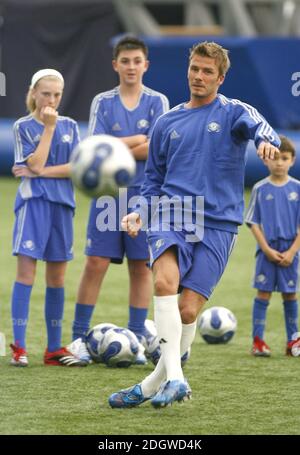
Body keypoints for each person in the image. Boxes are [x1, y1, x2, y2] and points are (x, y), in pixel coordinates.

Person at [108, 41, 280, 409]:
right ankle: (177, 378)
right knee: (164, 281)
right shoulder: (166, 122)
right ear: (188, 70)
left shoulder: (234, 111)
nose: (199, 77)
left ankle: (153, 384)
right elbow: (153, 179)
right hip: (172, 215)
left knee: (187, 311)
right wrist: (139, 210)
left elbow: (260, 127)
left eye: (207, 72)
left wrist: (266, 143)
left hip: (220, 223)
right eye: (195, 69)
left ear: (220, 77)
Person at [68, 36, 169, 364]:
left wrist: (115, 145)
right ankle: (77, 338)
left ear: (145, 65)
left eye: (136, 61)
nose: (130, 66)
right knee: (95, 263)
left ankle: (138, 334)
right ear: (115, 64)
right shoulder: (103, 101)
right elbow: (92, 145)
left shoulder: (158, 101)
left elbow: (155, 149)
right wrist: (134, 139)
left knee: (141, 267)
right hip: (107, 196)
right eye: (124, 61)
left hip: (144, 196)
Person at [10, 69, 85, 367]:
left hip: (63, 206)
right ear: (33, 93)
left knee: (57, 278)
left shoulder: (72, 126)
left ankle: (54, 348)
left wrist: (40, 171)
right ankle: (19, 347)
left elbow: (76, 167)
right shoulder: (23, 126)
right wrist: (49, 129)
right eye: (46, 94)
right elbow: (36, 161)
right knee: (26, 274)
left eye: (56, 94)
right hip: (34, 204)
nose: (51, 100)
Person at [245, 136, 300, 357]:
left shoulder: (297, 189)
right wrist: (266, 249)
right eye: (275, 158)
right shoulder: (259, 188)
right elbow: (252, 221)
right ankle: (258, 341)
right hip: (266, 251)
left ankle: (293, 341)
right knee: (263, 293)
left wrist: (293, 251)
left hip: (291, 251)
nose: (279, 163)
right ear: (266, 160)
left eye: (284, 158)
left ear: (292, 161)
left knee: (290, 295)